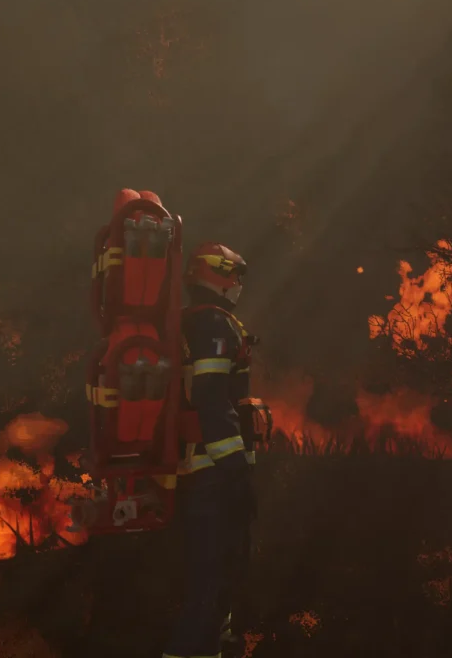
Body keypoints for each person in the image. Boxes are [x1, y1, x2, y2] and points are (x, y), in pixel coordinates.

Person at [164, 241, 258, 658]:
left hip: (192, 471)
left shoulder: (184, 322)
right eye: (234, 274)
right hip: (213, 476)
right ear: (217, 275)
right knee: (210, 583)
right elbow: (212, 400)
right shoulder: (216, 326)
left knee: (213, 584)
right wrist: (236, 471)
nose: (238, 284)